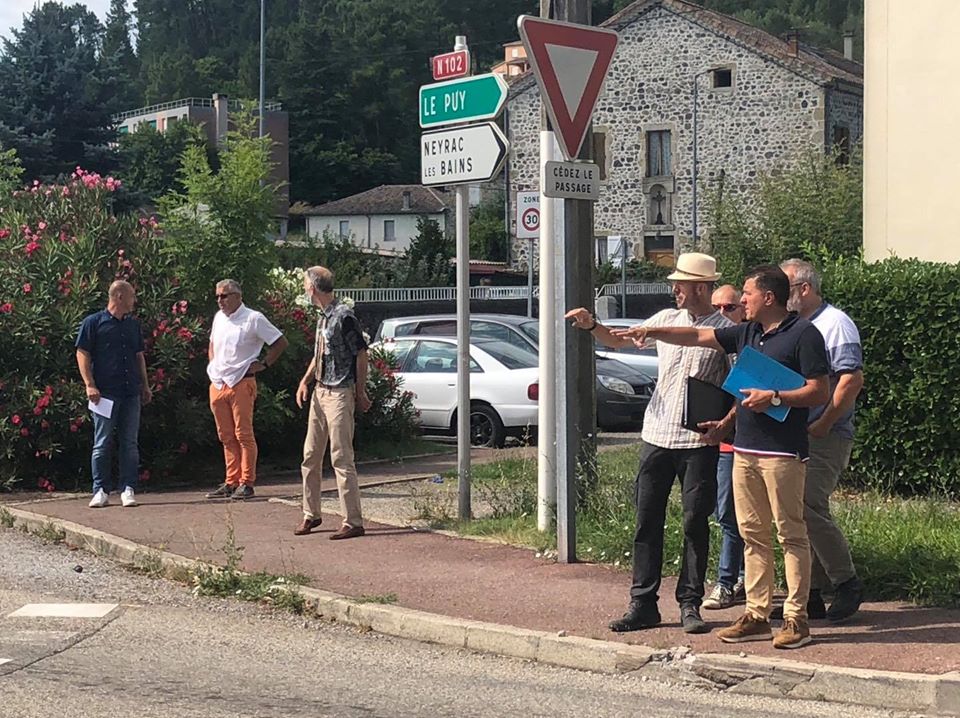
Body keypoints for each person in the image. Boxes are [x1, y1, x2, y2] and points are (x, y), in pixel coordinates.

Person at [613, 265, 830, 649]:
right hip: (745, 449)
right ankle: (757, 614)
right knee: (752, 535)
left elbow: (819, 391)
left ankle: (797, 618)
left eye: (746, 294)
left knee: (790, 533)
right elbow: (697, 335)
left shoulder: (803, 334)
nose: (740, 300)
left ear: (768, 297)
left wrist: (776, 398)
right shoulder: (747, 332)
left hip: (782, 452)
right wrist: (652, 330)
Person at [566, 252, 733, 635]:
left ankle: (690, 603)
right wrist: (592, 325)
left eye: (682, 283)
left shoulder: (724, 329)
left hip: (697, 441)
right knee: (646, 521)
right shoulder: (664, 320)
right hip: (656, 435)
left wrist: (725, 424)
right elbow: (619, 340)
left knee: (695, 522)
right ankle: (643, 603)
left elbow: (738, 384)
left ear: (702, 288)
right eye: (675, 282)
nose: (675, 289)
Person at [778, 258, 865, 622]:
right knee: (794, 510)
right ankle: (808, 594)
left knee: (808, 506)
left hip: (824, 434)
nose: (780, 297)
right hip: (796, 432)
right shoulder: (794, 326)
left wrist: (826, 422)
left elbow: (851, 380)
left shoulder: (836, 324)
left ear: (805, 289)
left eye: (786, 289)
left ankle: (846, 582)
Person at [295, 266, 371, 539]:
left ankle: (353, 521)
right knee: (310, 455)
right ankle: (310, 514)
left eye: (305, 284)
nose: (304, 288)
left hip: (340, 392)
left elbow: (361, 355)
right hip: (320, 390)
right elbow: (321, 353)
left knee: (341, 456)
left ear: (313, 287)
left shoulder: (343, 317)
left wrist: (360, 392)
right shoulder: (322, 318)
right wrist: (306, 380)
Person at [204, 279, 288, 501]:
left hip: (242, 381)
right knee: (226, 435)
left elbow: (280, 342)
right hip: (219, 382)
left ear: (238, 296)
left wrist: (264, 364)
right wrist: (213, 364)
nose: (220, 301)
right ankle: (231, 480)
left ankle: (247, 482)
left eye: (224, 295)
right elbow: (212, 344)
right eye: (218, 296)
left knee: (243, 434)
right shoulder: (219, 318)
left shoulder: (253, 318)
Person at [75, 280, 152, 509]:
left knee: (129, 443)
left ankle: (128, 488)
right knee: (102, 443)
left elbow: (139, 356)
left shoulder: (132, 325)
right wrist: (89, 384)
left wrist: (145, 385)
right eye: (131, 296)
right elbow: (82, 353)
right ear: (119, 296)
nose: (134, 301)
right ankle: (100, 490)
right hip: (104, 394)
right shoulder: (93, 323)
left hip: (130, 393)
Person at [702, 285, 746, 610]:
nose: (721, 314)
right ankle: (741, 577)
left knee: (734, 516)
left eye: (729, 307)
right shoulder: (711, 349)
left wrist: (727, 424)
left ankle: (727, 582)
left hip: (745, 442)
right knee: (725, 513)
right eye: (715, 307)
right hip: (718, 442)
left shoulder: (747, 344)